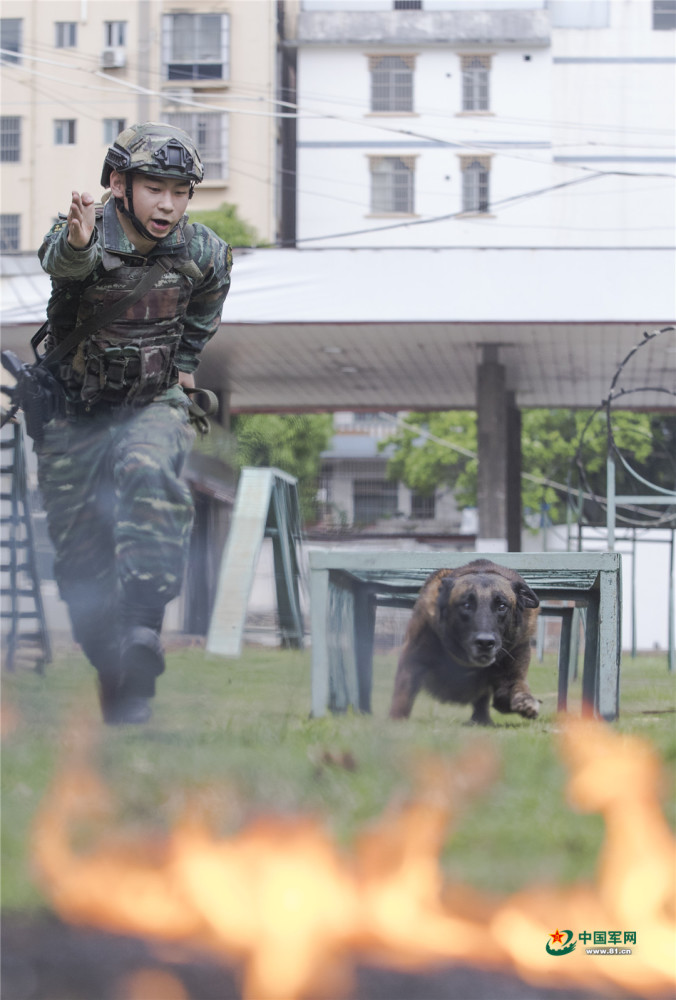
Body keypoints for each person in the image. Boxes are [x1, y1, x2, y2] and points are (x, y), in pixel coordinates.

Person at [36, 122, 232, 725]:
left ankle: (143, 629)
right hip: (75, 416)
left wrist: (184, 373)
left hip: (154, 404)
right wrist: (76, 242)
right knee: (80, 567)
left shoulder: (203, 252)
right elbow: (63, 266)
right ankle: (119, 679)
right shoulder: (85, 232)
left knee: (147, 469)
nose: (168, 204)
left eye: (180, 190)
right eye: (154, 187)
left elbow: (201, 315)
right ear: (119, 184)